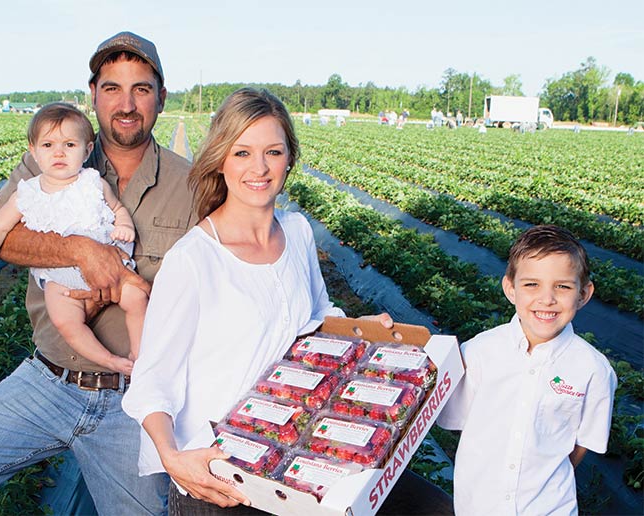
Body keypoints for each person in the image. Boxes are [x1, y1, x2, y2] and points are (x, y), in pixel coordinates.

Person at [0, 31, 196, 515]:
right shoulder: (50, 156)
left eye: (141, 89)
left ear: (162, 97)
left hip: (134, 403)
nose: (126, 104)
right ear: (93, 94)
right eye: (111, 88)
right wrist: (80, 250)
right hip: (47, 380)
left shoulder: (191, 183)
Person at [121, 88, 397, 514]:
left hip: (292, 455)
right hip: (219, 474)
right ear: (220, 160)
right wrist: (173, 460)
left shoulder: (299, 232)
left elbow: (318, 321)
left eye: (273, 151)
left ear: (290, 158)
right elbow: (153, 380)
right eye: (242, 153)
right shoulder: (193, 260)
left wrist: (364, 334)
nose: (260, 167)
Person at [437, 225, 617, 516]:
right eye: (532, 284)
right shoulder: (479, 352)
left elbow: (583, 442)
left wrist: (539, 478)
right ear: (510, 288)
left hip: (549, 508)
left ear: (584, 294)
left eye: (563, 286)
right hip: (479, 505)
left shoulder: (593, 369)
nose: (547, 299)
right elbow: (460, 424)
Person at [0, 102, 144, 375]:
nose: (59, 152)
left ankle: (139, 354)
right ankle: (109, 360)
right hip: (60, 277)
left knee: (137, 299)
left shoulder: (93, 183)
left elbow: (117, 209)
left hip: (110, 264)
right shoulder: (26, 194)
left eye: (70, 145)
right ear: (33, 152)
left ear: (87, 150)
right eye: (48, 145)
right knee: (66, 322)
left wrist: (124, 226)